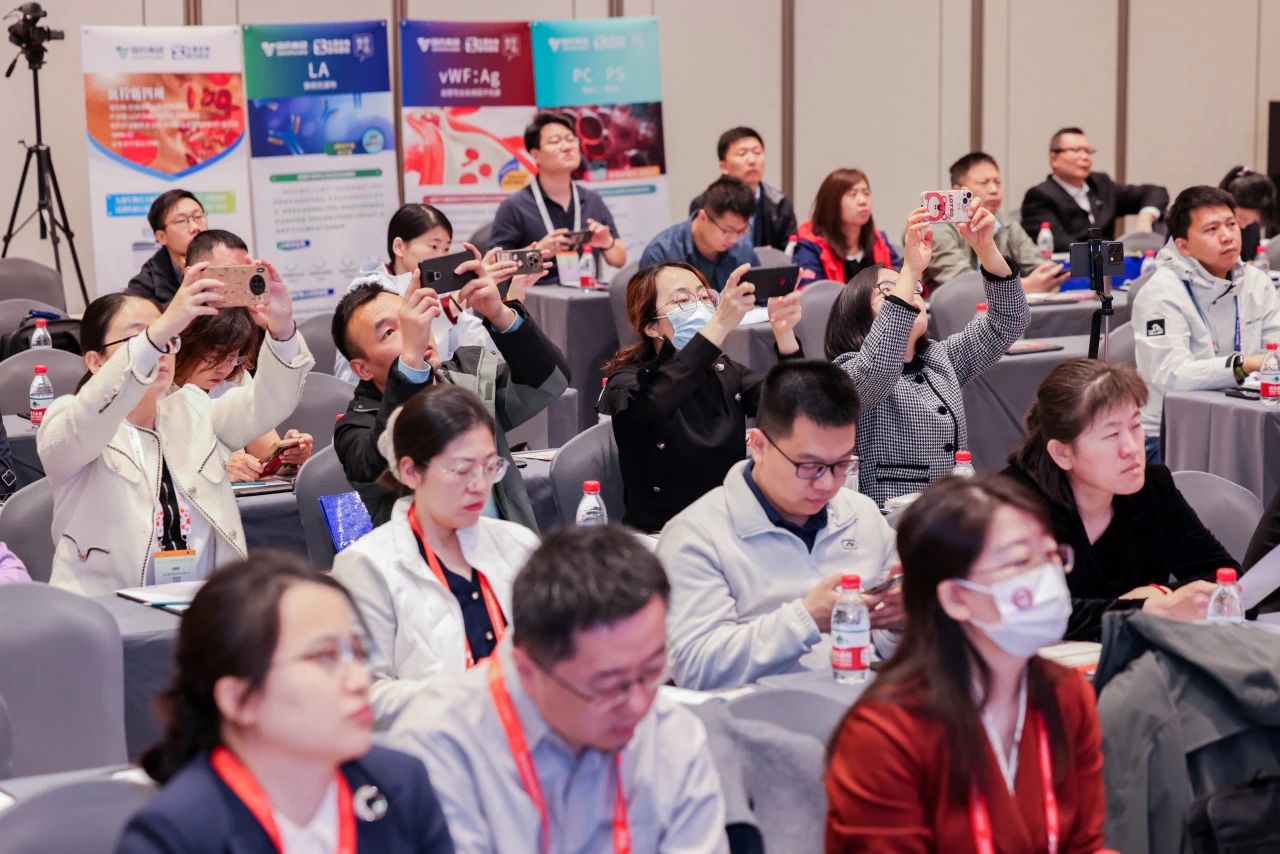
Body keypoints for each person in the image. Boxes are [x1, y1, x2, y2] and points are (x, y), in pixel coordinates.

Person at [389, 524, 727, 853]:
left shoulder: (672, 734)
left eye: (653, 671)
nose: (639, 705)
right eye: (609, 687)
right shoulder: (436, 753)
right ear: (527, 669)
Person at [825, 474, 1104, 852]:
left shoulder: (1067, 694)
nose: (1047, 578)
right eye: (1021, 561)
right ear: (956, 597)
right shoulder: (885, 732)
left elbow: (1086, 843)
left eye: (1052, 555)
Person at [118, 553, 455, 852]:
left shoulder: (400, 782)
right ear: (239, 699)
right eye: (324, 657)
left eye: (357, 653)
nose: (359, 680)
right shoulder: (176, 835)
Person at [38, 264, 312, 597]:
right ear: (96, 361)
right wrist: (161, 329)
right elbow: (87, 417)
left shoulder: (194, 409)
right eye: (143, 338)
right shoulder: (66, 421)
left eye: (170, 337)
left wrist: (282, 329)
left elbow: (269, 402)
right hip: (108, 610)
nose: (162, 350)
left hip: (202, 605)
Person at [659, 360, 900, 690]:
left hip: (857, 702)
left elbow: (882, 648)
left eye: (842, 464)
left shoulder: (862, 514)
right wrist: (805, 619)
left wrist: (899, 625)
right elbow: (696, 668)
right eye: (810, 466)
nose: (828, 484)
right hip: (753, 715)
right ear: (758, 446)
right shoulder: (697, 535)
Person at [333, 385, 538, 728]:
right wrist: (473, 692)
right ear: (410, 471)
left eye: (490, 466)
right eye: (461, 469)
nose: (480, 484)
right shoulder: (367, 565)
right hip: (427, 746)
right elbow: (364, 694)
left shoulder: (517, 544)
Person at [1003, 358, 1232, 641]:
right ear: (1062, 453)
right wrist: (1147, 608)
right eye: (1112, 434)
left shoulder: (1152, 487)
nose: (1131, 448)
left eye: (1135, 426)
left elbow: (1227, 580)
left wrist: (1159, 595)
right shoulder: (1014, 505)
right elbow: (1031, 611)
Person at [332, 260, 568, 529]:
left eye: (410, 320)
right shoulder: (354, 429)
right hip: (422, 554)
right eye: (389, 332)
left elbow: (548, 383)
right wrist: (411, 361)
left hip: (499, 543)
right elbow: (385, 462)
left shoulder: (466, 379)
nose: (416, 332)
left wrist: (500, 314)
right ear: (361, 369)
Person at [827, 202, 1030, 507]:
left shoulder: (940, 358)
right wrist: (910, 270)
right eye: (892, 289)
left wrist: (985, 248)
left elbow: (1008, 321)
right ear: (857, 314)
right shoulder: (846, 372)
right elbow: (879, 368)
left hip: (953, 509)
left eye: (914, 288)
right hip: (890, 516)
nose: (912, 294)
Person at [599, 260, 801, 532]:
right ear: (651, 327)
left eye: (704, 297)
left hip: (728, 523)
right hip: (662, 532)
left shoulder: (722, 369)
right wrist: (720, 323)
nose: (699, 306)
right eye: (682, 300)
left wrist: (784, 333)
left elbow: (795, 403)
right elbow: (658, 399)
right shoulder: (627, 381)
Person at [1131, 185, 1280, 461]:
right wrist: (1242, 365)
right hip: (1171, 434)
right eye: (1212, 229)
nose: (1227, 236)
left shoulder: (1256, 281)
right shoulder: (1160, 294)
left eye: (1231, 225)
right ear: (1183, 246)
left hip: (1243, 421)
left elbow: (1275, 349)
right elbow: (1172, 376)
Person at [175, 229, 314, 482]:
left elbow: (262, 429)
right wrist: (217, 466)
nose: (223, 368)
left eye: (234, 357)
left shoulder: (234, 378)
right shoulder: (154, 386)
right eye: (212, 358)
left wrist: (284, 459)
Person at [335, 203, 518, 383]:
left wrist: (508, 303)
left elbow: (479, 346)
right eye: (433, 246)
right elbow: (411, 327)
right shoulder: (368, 289)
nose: (441, 256)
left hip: (435, 389)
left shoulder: (442, 292)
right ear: (399, 247)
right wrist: (456, 303)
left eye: (446, 249)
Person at [490, 111, 626, 284]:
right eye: (555, 141)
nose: (567, 146)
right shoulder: (515, 206)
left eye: (570, 139)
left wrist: (606, 242)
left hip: (586, 295)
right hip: (536, 297)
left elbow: (619, 260)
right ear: (536, 155)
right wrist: (538, 253)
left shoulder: (592, 200)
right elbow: (494, 266)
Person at [926, 152, 1069, 293]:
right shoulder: (937, 229)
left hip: (1003, 306)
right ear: (958, 191)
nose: (994, 190)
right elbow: (961, 285)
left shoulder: (1006, 223)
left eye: (998, 182)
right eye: (984, 183)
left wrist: (1049, 277)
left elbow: (1041, 268)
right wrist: (1025, 286)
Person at [1020, 126, 1169, 251]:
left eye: (1088, 151)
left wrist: (1146, 217)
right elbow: (1060, 244)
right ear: (1054, 159)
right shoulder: (1040, 196)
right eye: (1076, 151)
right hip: (1071, 269)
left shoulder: (1101, 184)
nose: (1085, 157)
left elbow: (1156, 192)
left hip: (1111, 268)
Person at [687, 126, 797, 252]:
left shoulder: (780, 203)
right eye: (742, 154)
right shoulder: (704, 203)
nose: (752, 160)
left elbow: (788, 252)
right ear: (724, 166)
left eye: (757, 152)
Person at [641, 176, 761, 290]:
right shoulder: (660, 254)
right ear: (703, 217)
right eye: (727, 231)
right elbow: (650, 304)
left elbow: (759, 298)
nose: (734, 239)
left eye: (741, 231)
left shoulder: (743, 247)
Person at [791, 168, 901, 283]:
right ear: (832, 203)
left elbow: (901, 282)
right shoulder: (810, 247)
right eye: (853, 194)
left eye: (866, 193)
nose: (863, 201)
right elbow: (811, 292)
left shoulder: (879, 241)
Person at [127, 189, 208, 306]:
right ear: (161, 237)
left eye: (198, 216)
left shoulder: (226, 261)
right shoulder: (144, 286)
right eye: (181, 221)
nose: (195, 227)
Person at [1219, 165, 1277, 262]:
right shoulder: (1213, 230)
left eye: (1252, 221)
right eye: (1242, 218)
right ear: (1228, 200)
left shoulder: (1251, 227)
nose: (1243, 226)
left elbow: (1251, 260)